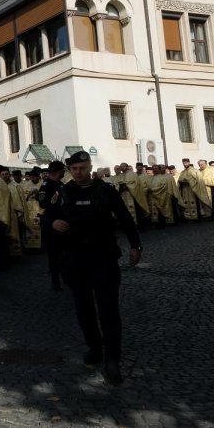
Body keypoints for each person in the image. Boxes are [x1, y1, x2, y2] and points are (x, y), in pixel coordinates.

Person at [50, 151, 141, 385]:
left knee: (108, 310)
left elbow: (124, 217)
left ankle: (112, 360)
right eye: (74, 169)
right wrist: (53, 222)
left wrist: (135, 245)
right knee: (84, 311)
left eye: (82, 168)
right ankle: (95, 348)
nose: (78, 172)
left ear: (90, 167)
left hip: (103, 257)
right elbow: (49, 215)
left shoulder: (106, 190)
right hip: (75, 258)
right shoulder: (64, 191)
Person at [36, 161, 67, 291]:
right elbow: (43, 203)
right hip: (52, 224)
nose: (65, 172)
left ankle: (66, 277)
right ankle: (55, 280)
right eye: (63, 170)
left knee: (64, 253)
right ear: (58, 171)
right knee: (54, 253)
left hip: (63, 222)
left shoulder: (61, 184)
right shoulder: (46, 184)